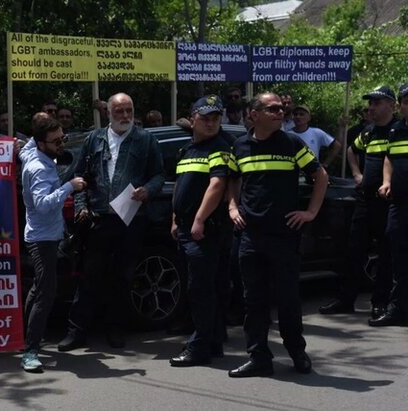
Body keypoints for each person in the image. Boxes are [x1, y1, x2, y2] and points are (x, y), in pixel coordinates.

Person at [228, 92, 328, 378]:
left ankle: (297, 351)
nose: (280, 112)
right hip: (250, 236)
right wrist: (233, 206)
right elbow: (232, 178)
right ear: (254, 114)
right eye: (271, 109)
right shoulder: (240, 146)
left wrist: (310, 212)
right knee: (254, 300)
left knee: (288, 299)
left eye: (280, 108)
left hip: (284, 236)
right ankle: (259, 357)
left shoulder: (291, 143)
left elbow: (320, 176)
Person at [57, 92, 165, 351]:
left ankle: (115, 329)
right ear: (108, 113)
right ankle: (77, 331)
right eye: (120, 111)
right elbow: (80, 176)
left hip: (131, 219)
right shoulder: (95, 139)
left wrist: (148, 190)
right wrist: (81, 206)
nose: (125, 116)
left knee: (122, 277)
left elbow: (159, 175)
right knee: (89, 277)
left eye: (129, 110)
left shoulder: (145, 140)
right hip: (98, 220)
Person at [319, 86, 395, 318]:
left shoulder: (399, 131)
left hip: (388, 203)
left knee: (386, 254)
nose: (371, 107)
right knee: (353, 251)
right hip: (364, 200)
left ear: (391, 105)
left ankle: (379, 302)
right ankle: (345, 299)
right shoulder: (368, 132)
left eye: (377, 103)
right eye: (370, 103)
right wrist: (356, 174)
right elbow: (352, 151)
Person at [169, 95, 234, 367]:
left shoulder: (220, 147)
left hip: (205, 230)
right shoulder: (187, 150)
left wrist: (198, 219)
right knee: (206, 287)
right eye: (205, 118)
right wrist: (175, 218)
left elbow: (217, 185)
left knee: (201, 290)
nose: (210, 123)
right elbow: (180, 186)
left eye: (215, 118)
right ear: (192, 117)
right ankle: (213, 340)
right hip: (187, 228)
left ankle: (199, 345)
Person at [19, 116, 86, 372]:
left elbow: (24, 145)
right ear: (41, 143)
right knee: (46, 294)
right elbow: (43, 204)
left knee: (38, 288)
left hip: (44, 234)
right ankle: (30, 351)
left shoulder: (32, 152)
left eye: (63, 138)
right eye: (56, 141)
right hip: (42, 239)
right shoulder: (39, 169)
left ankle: (25, 338)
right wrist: (70, 186)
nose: (61, 144)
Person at [374, 83, 408, 326]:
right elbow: (389, 158)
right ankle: (397, 309)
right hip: (399, 203)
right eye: (407, 101)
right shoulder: (396, 130)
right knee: (398, 256)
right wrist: (386, 181)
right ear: (401, 105)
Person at [290, 104, 343, 168]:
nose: (298, 117)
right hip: (291, 171)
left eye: (301, 114)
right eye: (295, 114)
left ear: (309, 117)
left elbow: (337, 146)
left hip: (312, 173)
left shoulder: (317, 132)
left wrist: (325, 164)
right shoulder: (287, 134)